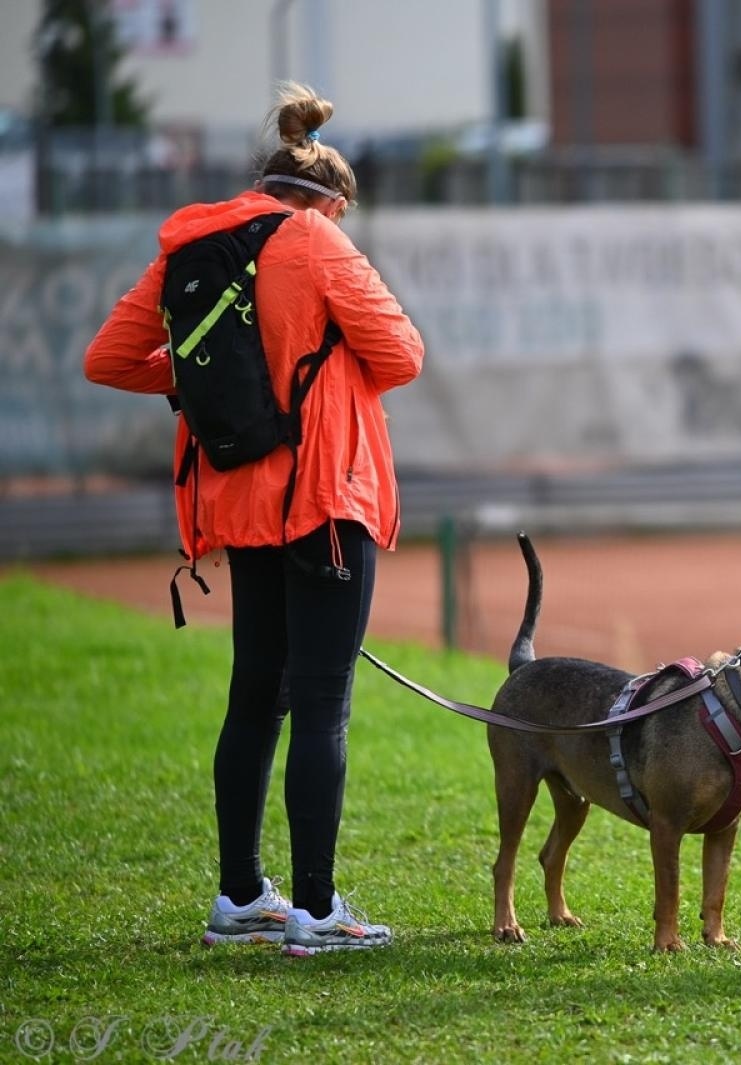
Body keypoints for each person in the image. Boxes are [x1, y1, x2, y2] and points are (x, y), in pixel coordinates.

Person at [84, 84, 425, 955]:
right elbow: (401, 355)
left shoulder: (192, 241)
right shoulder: (316, 240)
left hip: (239, 501)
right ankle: (316, 909)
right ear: (330, 203)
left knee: (254, 698)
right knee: (322, 704)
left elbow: (109, 358)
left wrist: (210, 375)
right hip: (323, 496)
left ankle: (240, 895)